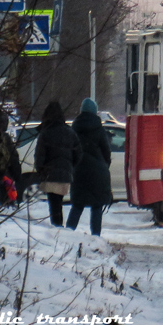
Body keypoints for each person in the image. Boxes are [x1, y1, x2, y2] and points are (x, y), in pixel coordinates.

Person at [67, 98, 112, 236]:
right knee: (97, 206)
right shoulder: (99, 129)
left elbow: (70, 152)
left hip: (79, 172)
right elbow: (106, 152)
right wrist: (103, 166)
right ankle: (96, 237)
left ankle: (68, 234)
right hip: (98, 173)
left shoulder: (74, 129)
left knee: (77, 205)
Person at [34, 101, 81, 226]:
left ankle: (57, 227)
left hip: (49, 173)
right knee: (58, 202)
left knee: (53, 203)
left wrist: (40, 170)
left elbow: (40, 155)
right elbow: (78, 154)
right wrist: (71, 167)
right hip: (65, 172)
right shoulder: (70, 132)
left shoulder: (45, 133)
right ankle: (58, 227)